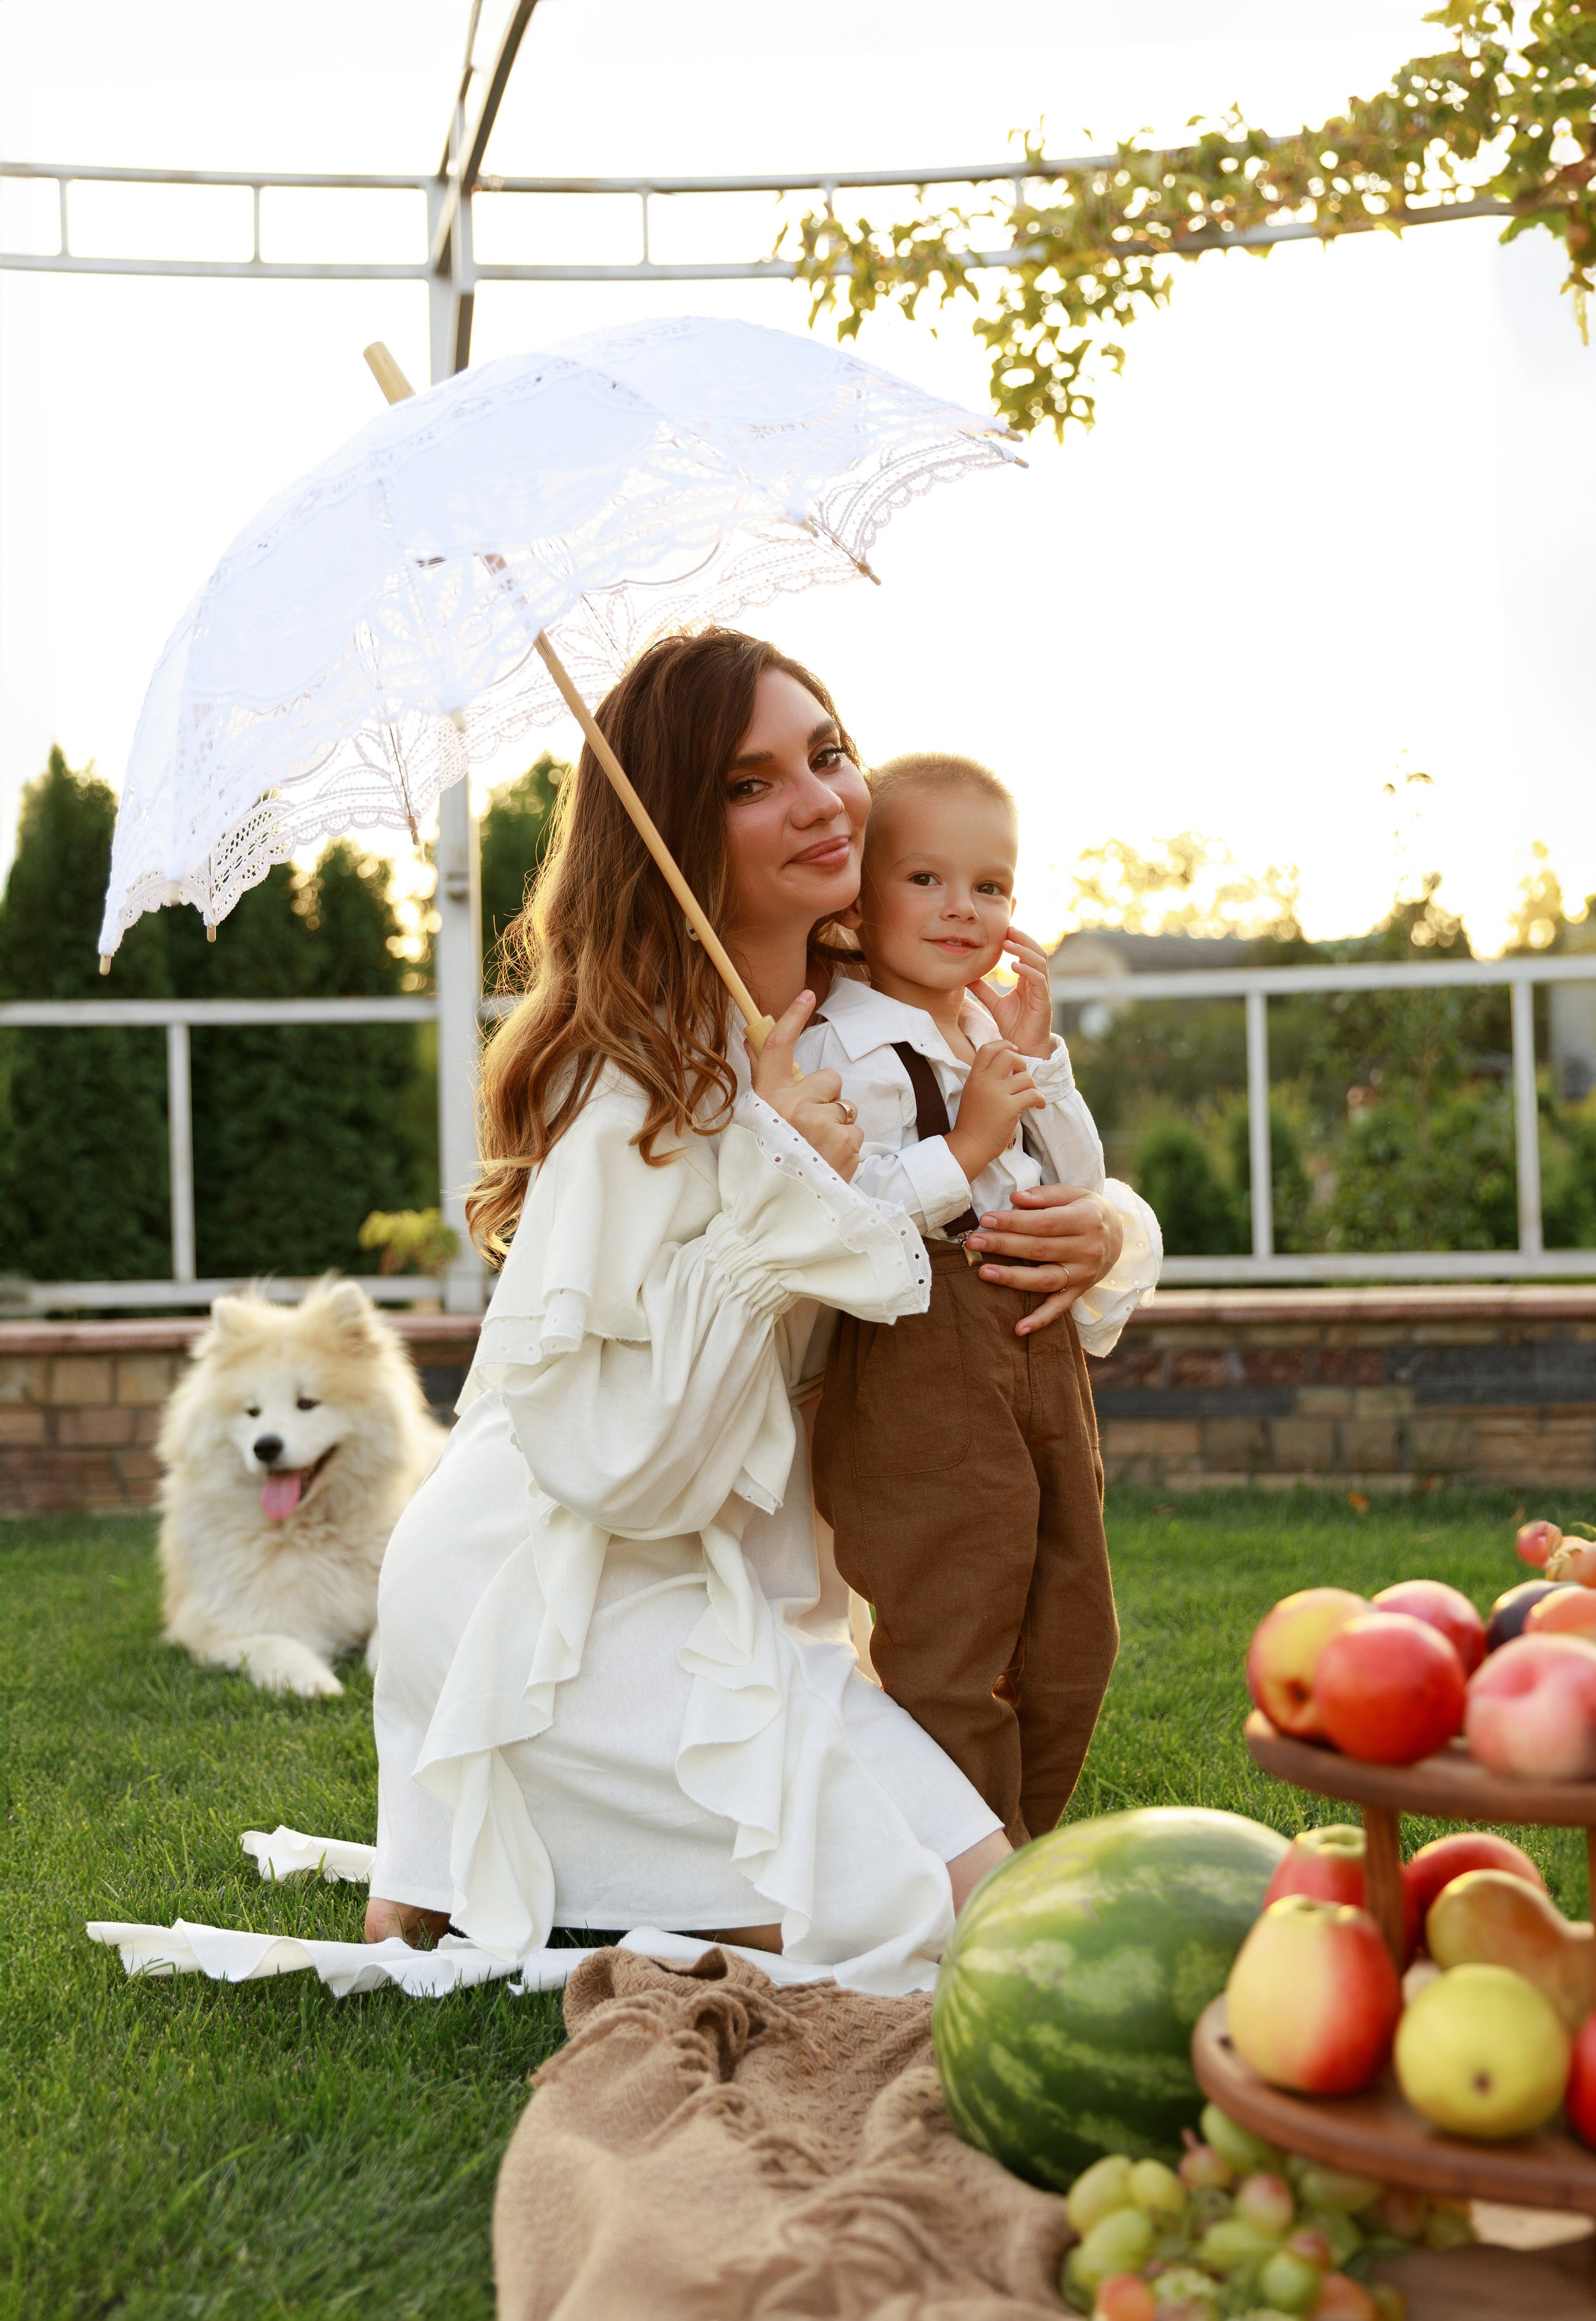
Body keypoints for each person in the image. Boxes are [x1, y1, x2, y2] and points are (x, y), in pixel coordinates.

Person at [364, 630, 1156, 1992]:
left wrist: (1107, 1231)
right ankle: (502, 1821)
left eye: (828, 754)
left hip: (740, 1584)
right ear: (676, 826)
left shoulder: (878, 1007)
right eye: (749, 783)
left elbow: (994, 1167)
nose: (820, 801)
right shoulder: (629, 1088)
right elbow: (630, 1467)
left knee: (993, 1900)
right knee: (920, 1933)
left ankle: (516, 1866)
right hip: (564, 1576)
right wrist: (771, 1189)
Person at [809, 752, 1160, 1850]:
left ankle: (1022, 1846)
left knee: (1076, 1632)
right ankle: (966, 1872)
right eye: (925, 879)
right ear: (856, 909)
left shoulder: (984, 1031)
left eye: (992, 886)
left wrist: (1039, 1057)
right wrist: (964, 1146)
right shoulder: (841, 1046)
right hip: (923, 1351)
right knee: (954, 1631)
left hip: (1036, 1345)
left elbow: (1074, 1175)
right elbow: (839, 1211)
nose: (963, 908)